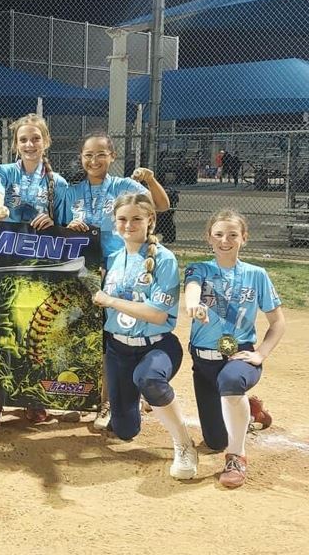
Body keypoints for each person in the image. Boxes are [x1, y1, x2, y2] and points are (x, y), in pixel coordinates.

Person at [64, 132, 170, 431]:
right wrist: (69, 226)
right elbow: (59, 228)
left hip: (122, 271)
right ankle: (83, 396)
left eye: (101, 154)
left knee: (116, 336)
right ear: (81, 158)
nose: (94, 160)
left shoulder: (124, 186)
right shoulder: (72, 192)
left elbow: (160, 206)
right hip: (84, 272)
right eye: (88, 154)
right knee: (87, 336)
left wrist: (150, 180)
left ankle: (110, 401)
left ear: (112, 156)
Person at [92, 193, 197, 480]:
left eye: (136, 219)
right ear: (114, 222)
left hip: (157, 347)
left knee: (149, 379)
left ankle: (184, 445)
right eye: (122, 219)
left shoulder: (164, 259)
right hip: (119, 350)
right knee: (125, 430)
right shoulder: (113, 259)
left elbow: (157, 315)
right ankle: (135, 398)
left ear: (150, 220)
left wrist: (110, 301)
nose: (129, 225)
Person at [184, 210, 285, 488]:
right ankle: (249, 410)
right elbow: (192, 288)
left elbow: (277, 322)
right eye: (218, 234)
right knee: (215, 441)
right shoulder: (199, 268)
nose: (224, 240)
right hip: (204, 362)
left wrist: (260, 353)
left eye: (232, 235)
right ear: (208, 238)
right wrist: (193, 305)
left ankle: (237, 457)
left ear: (244, 238)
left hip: (238, 358)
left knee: (231, 382)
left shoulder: (257, 275)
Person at [0, 113, 69, 429]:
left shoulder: (58, 183)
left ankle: (33, 398)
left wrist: (54, 223)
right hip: (3, 263)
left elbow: (66, 229)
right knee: (0, 329)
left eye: (35, 139)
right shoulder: (4, 172)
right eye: (23, 140)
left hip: (39, 268)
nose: (29, 144)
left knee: (34, 330)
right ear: (15, 144)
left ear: (46, 142)